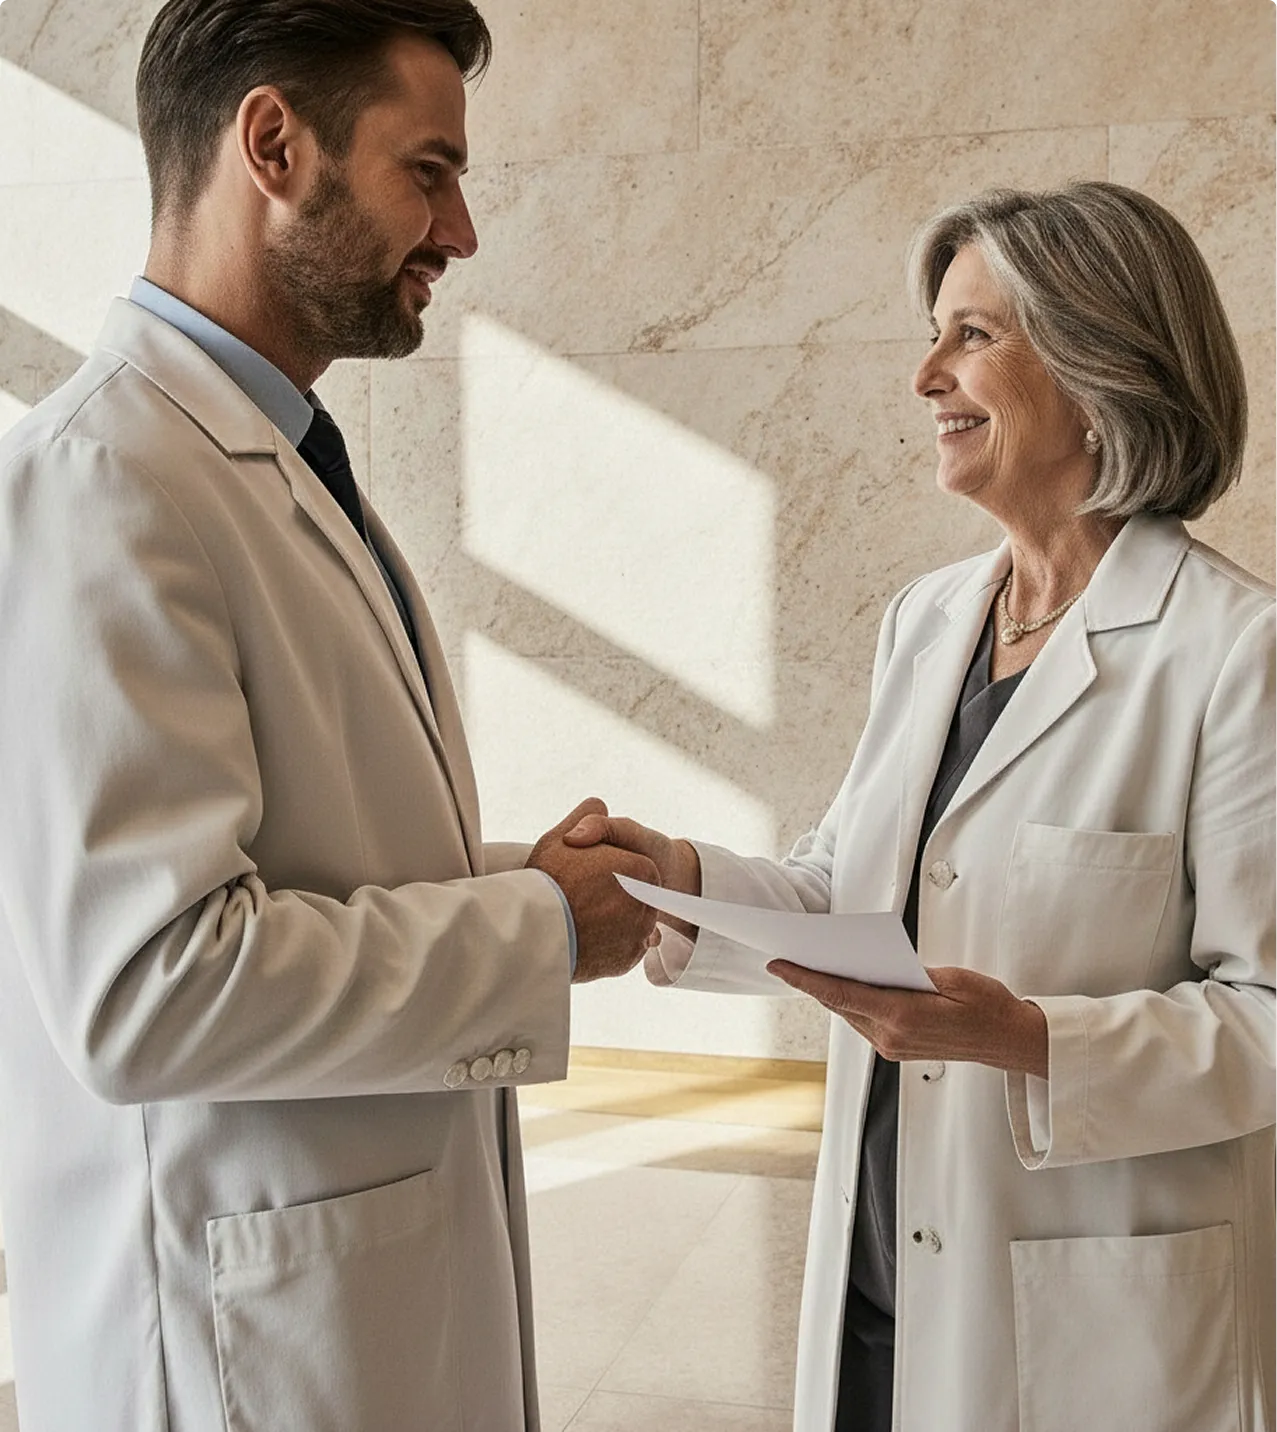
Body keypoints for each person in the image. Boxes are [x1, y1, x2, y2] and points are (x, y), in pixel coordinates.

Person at [0, 2, 659, 1428]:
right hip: (229, 1346)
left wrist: (531, 884)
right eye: (429, 171)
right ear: (275, 143)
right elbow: (150, 986)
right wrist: (534, 930)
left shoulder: (280, 462)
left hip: (335, 1310)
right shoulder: (102, 482)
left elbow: (294, 867)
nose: (462, 231)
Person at [566, 182, 1276, 1432]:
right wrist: (674, 874)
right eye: (934, 331)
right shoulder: (928, 620)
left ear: (1101, 362)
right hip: (881, 1289)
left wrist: (1031, 1040)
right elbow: (845, 893)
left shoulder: (1234, 652)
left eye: (971, 335)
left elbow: (1265, 1019)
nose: (922, 375)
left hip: (1090, 1332)